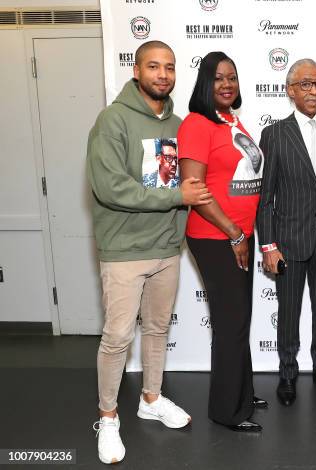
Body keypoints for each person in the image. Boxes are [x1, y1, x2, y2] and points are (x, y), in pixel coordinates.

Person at [86, 40, 211, 464]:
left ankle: (151, 398)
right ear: (137, 71)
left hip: (165, 248)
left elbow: (188, 184)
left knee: (157, 329)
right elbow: (110, 187)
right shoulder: (113, 121)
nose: (163, 74)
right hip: (124, 249)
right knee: (118, 337)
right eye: (154, 66)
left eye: (170, 67)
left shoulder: (179, 124)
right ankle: (107, 416)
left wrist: (179, 219)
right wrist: (176, 196)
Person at [177, 51, 267, 433]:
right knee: (230, 323)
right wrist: (234, 233)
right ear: (204, 84)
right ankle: (226, 409)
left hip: (240, 234)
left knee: (238, 319)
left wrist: (243, 233)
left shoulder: (230, 120)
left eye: (232, 77)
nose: (227, 84)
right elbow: (194, 190)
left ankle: (241, 392)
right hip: (218, 237)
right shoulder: (197, 124)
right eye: (218, 78)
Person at [257, 58, 316, 406]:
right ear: (290, 90)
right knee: (289, 313)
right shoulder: (275, 134)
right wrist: (268, 245)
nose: (314, 91)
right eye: (306, 84)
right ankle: (288, 374)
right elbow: (265, 198)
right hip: (289, 242)